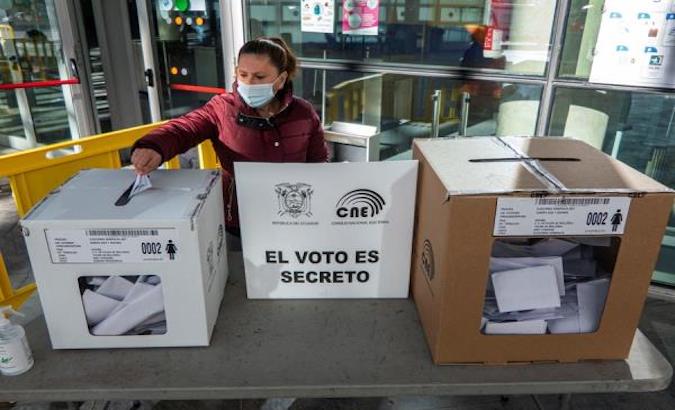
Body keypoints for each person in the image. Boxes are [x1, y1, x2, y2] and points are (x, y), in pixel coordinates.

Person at [131, 37, 329, 236]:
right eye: (243, 74)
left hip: (293, 219)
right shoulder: (222, 108)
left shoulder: (303, 113)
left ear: (281, 80)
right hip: (238, 221)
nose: (249, 83)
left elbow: (319, 164)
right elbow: (186, 127)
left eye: (260, 77)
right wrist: (154, 145)